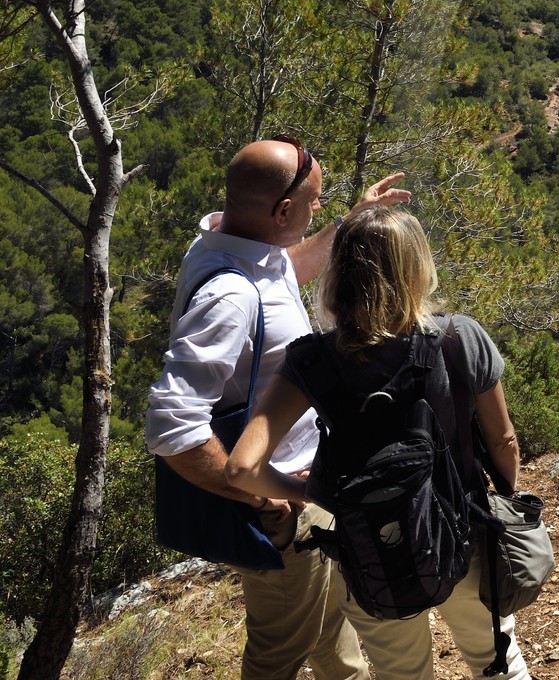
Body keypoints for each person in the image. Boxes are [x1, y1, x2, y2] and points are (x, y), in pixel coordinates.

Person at [225, 206, 531, 680]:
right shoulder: (460, 337)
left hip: (371, 551)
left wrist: (311, 492)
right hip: (464, 533)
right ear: (416, 267)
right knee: (498, 663)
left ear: (340, 273)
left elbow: (242, 468)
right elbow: (504, 440)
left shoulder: (313, 359)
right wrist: (506, 498)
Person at [146, 136, 409, 680]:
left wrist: (350, 221)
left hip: (304, 490)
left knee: (330, 632)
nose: (320, 207)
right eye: (314, 201)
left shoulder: (228, 243)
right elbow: (171, 426)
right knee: (278, 657)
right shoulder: (230, 295)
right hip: (284, 506)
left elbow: (283, 269)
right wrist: (262, 492)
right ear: (283, 211)